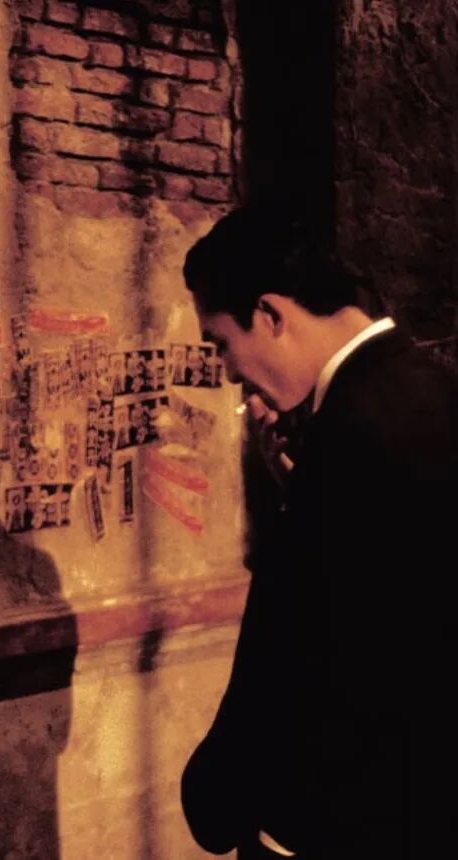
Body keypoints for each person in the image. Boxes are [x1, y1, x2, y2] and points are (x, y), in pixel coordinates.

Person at [179, 205, 457, 859]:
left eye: (221, 342)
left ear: (270, 315)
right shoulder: (436, 392)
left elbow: (289, 662)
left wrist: (215, 797)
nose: (228, 372)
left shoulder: (350, 435)